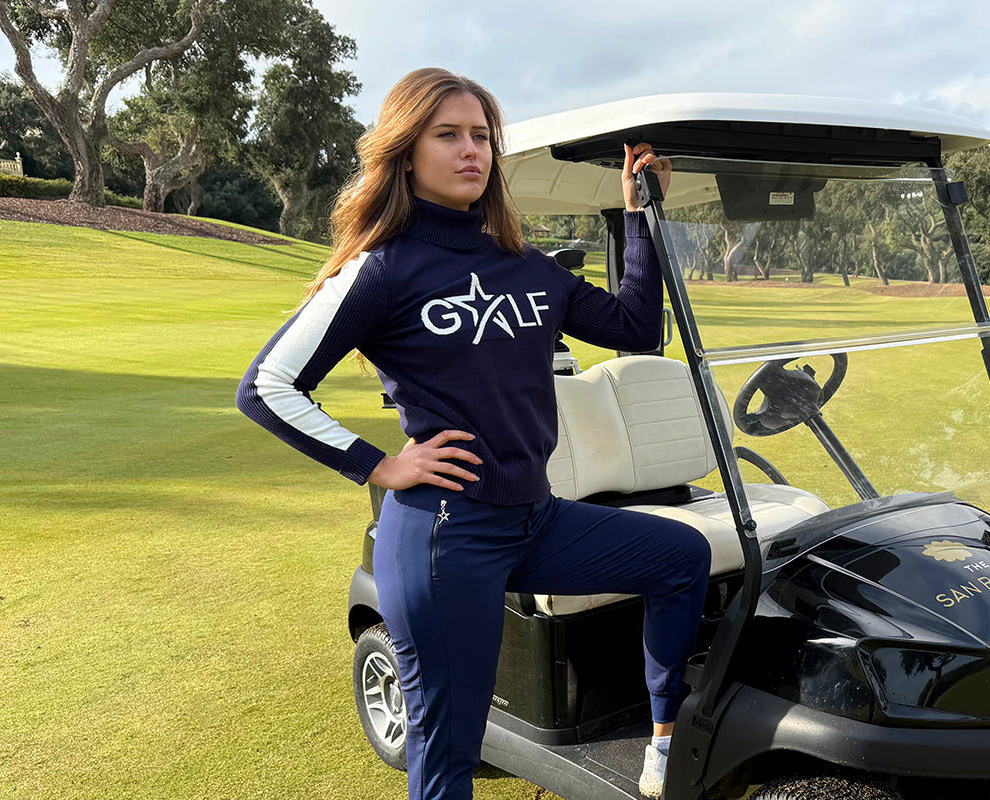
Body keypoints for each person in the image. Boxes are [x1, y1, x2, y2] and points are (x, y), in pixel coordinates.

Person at [235, 67, 710, 800]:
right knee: (448, 755)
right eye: (447, 134)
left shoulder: (523, 266)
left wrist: (639, 217)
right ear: (406, 150)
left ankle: (661, 747)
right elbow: (266, 386)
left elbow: (636, 329)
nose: (471, 151)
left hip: (534, 517)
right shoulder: (383, 269)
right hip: (443, 537)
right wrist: (379, 465)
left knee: (681, 554)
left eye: (482, 136)